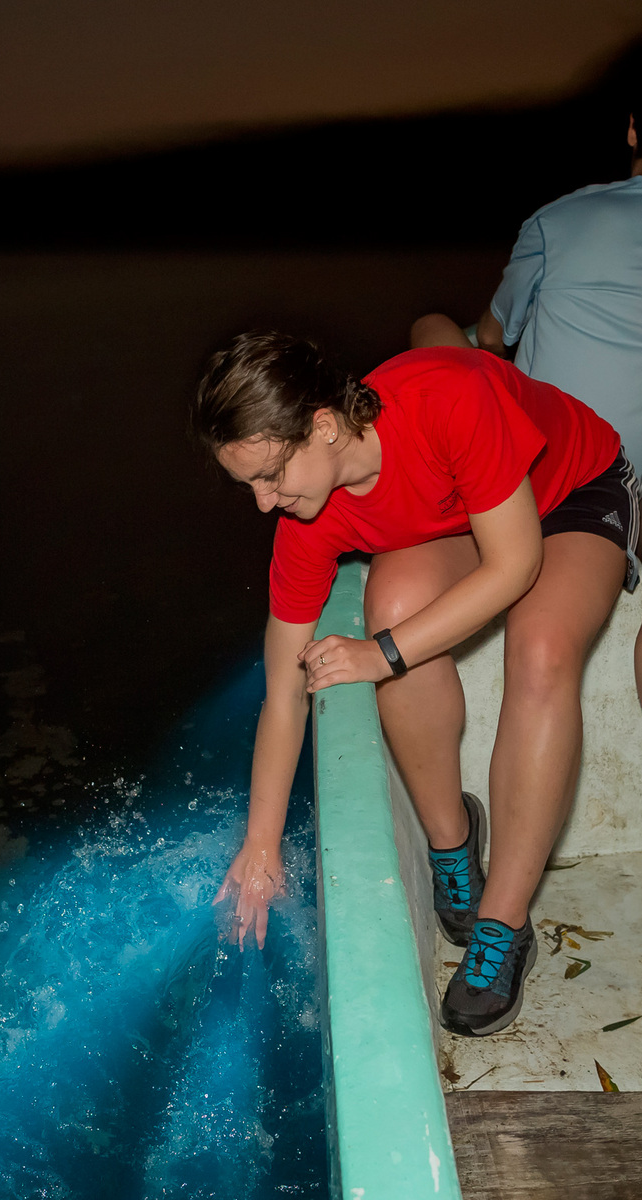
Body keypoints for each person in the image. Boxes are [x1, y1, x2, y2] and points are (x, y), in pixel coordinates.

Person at [193, 331, 640, 1037]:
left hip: (572, 497)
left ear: (323, 424)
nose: (261, 502)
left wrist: (380, 656)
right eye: (247, 483)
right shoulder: (307, 521)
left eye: (271, 475)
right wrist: (260, 845)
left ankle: (503, 923)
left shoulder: (446, 396)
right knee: (393, 605)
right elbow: (285, 689)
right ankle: (450, 840)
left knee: (542, 648)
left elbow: (515, 566)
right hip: (472, 514)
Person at [414, 101, 642, 706]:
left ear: (632, 129)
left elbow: (492, 336)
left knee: (438, 332)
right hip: (602, 480)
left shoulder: (560, 220)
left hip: (568, 472)